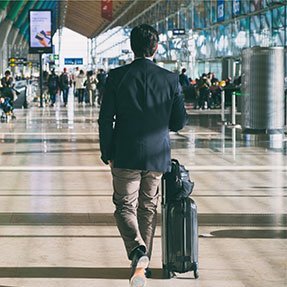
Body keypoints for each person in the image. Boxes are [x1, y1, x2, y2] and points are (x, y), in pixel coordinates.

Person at [98, 24, 187, 287]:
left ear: (131, 47)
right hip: (157, 154)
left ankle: (138, 253)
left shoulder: (116, 77)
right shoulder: (170, 79)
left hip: (124, 153)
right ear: (156, 48)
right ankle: (142, 265)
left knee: (124, 206)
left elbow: (105, 121)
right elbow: (179, 122)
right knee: (147, 207)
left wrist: (107, 151)